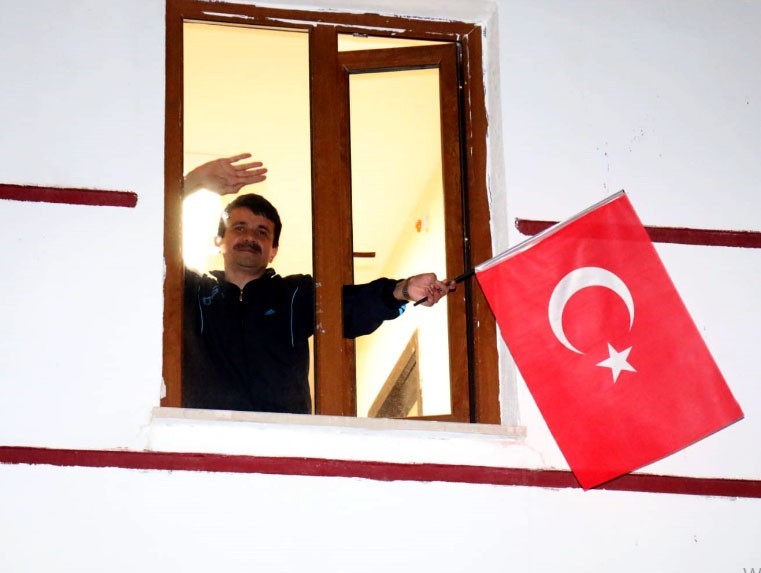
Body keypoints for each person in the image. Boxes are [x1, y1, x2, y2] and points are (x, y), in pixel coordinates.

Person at [182, 153, 455, 414]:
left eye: (262, 232)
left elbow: (349, 306)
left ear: (273, 250)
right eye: (239, 228)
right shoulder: (192, 292)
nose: (250, 237)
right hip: (198, 433)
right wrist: (193, 181)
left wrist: (401, 290)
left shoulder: (292, 295)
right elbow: (156, 242)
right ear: (219, 241)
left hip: (281, 436)